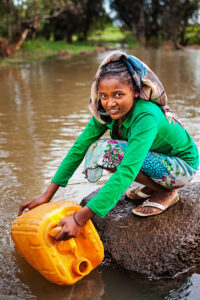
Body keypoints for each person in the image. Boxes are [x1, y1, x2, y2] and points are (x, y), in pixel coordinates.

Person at [18, 51, 199, 241]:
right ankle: (154, 187)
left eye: (118, 94)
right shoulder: (105, 112)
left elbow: (127, 170)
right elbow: (79, 147)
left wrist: (79, 219)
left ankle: (165, 192)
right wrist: (47, 195)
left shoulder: (146, 116)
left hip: (181, 166)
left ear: (135, 92)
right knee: (101, 151)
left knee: (109, 152)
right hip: (156, 157)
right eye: (104, 95)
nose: (110, 103)